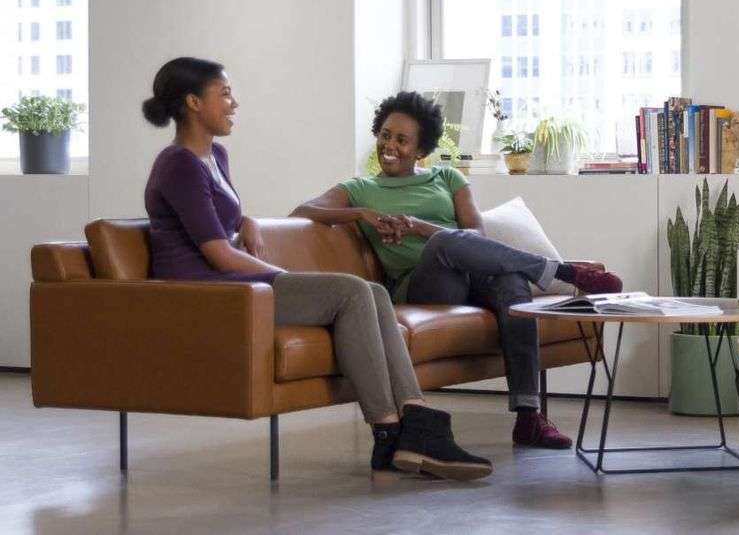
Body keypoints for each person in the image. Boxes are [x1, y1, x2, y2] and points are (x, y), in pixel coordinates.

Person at [142, 57, 491, 480]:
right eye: (225, 93)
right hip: (209, 290)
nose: (234, 102)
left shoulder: (214, 155)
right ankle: (390, 430)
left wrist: (246, 220)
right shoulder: (177, 163)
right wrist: (280, 275)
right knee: (351, 291)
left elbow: (221, 219)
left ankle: (409, 423)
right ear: (194, 102)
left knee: (375, 292)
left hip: (234, 282)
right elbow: (217, 253)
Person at [292, 91, 623, 450]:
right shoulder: (360, 189)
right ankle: (560, 271)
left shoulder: (447, 178)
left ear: (421, 150)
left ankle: (529, 418)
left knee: (510, 282)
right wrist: (360, 214)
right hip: (424, 286)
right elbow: (302, 212)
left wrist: (417, 225)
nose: (390, 145)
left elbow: (475, 236)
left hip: (470, 274)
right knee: (443, 244)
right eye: (385, 135)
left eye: (402, 140)